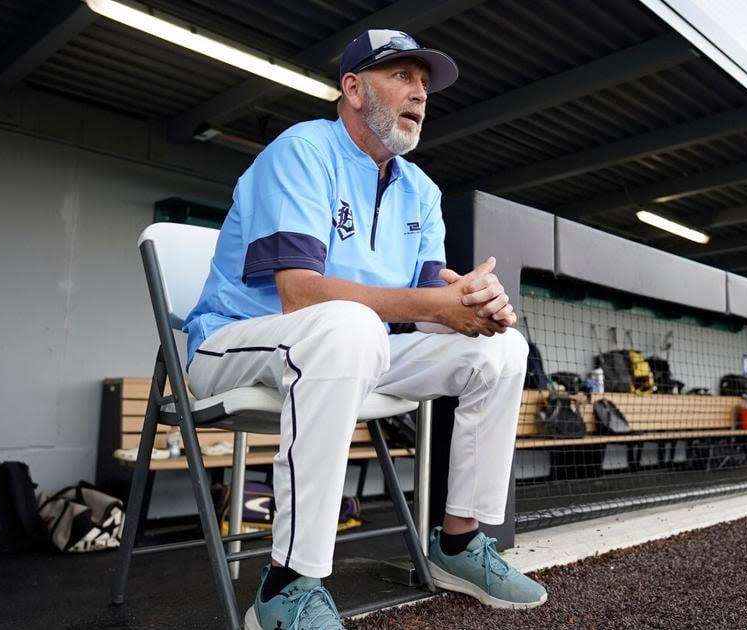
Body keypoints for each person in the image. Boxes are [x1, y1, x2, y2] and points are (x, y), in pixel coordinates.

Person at [182, 29, 546, 630]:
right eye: (402, 76)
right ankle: (288, 586)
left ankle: (458, 543)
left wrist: (474, 306)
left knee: (503, 349)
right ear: (352, 88)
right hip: (237, 341)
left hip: (351, 348)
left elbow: (430, 302)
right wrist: (438, 305)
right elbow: (298, 294)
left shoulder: (421, 191)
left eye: (425, 83)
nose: (420, 93)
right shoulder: (303, 149)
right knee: (345, 326)